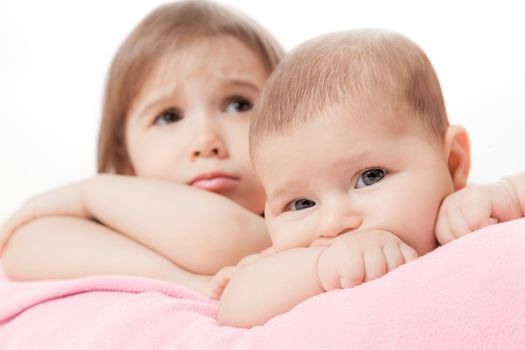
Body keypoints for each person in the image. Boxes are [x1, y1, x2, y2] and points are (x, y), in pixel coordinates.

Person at [0, 0, 284, 299]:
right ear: (125, 161)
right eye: (168, 116)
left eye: (238, 104)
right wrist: (180, 279)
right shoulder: (126, 223)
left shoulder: (304, 221)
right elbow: (25, 246)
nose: (205, 140)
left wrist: (88, 193)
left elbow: (224, 238)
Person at [217, 28, 474, 327]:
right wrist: (321, 268)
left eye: (370, 177)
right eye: (301, 204)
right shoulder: (294, 262)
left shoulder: (470, 216)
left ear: (453, 163)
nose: (333, 222)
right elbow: (234, 309)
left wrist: (505, 194)